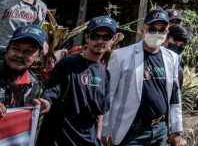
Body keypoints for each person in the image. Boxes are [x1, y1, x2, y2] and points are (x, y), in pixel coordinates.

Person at [103, 10, 183, 146]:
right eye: (152, 29)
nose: (156, 34)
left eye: (162, 30)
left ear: (167, 32)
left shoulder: (172, 58)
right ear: (143, 30)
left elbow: (175, 95)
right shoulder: (121, 56)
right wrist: (104, 130)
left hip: (160, 130)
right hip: (131, 131)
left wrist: (176, 128)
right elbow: (107, 96)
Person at [37, 16, 115, 146]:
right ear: (87, 38)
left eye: (106, 37)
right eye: (95, 36)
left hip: (88, 140)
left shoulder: (104, 72)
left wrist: (98, 137)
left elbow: (100, 111)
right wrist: (46, 102)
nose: (100, 41)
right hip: (60, 139)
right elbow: (51, 92)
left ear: (112, 41)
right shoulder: (68, 64)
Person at [0, 25, 48, 115]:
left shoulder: (34, 84)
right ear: (7, 49)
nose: (19, 55)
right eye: (16, 48)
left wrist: (39, 108)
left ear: (39, 57)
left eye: (28, 51)